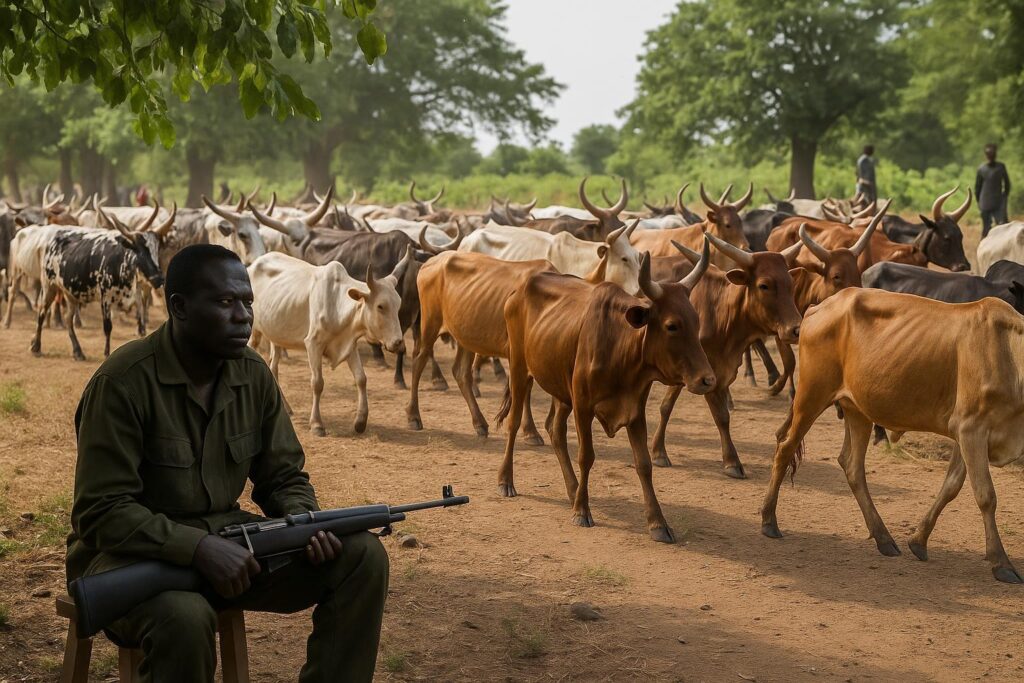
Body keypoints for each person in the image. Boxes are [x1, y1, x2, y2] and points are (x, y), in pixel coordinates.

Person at [66, 244, 389, 683]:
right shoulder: (122, 383)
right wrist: (197, 548)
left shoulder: (253, 374)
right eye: (225, 302)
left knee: (362, 555)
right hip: (127, 559)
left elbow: (284, 475)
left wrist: (302, 522)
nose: (243, 316)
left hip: (234, 545)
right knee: (184, 617)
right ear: (179, 307)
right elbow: (101, 513)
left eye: (248, 302)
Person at [975, 143, 1011, 238]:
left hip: (998, 202)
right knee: (986, 228)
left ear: (995, 154)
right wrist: (979, 201)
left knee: (1003, 225)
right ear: (986, 155)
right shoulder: (981, 169)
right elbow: (977, 187)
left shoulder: (1000, 167)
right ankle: (984, 247)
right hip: (985, 202)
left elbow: (1007, 184)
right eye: (988, 153)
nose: (990, 155)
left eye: (992, 153)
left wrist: (1004, 196)